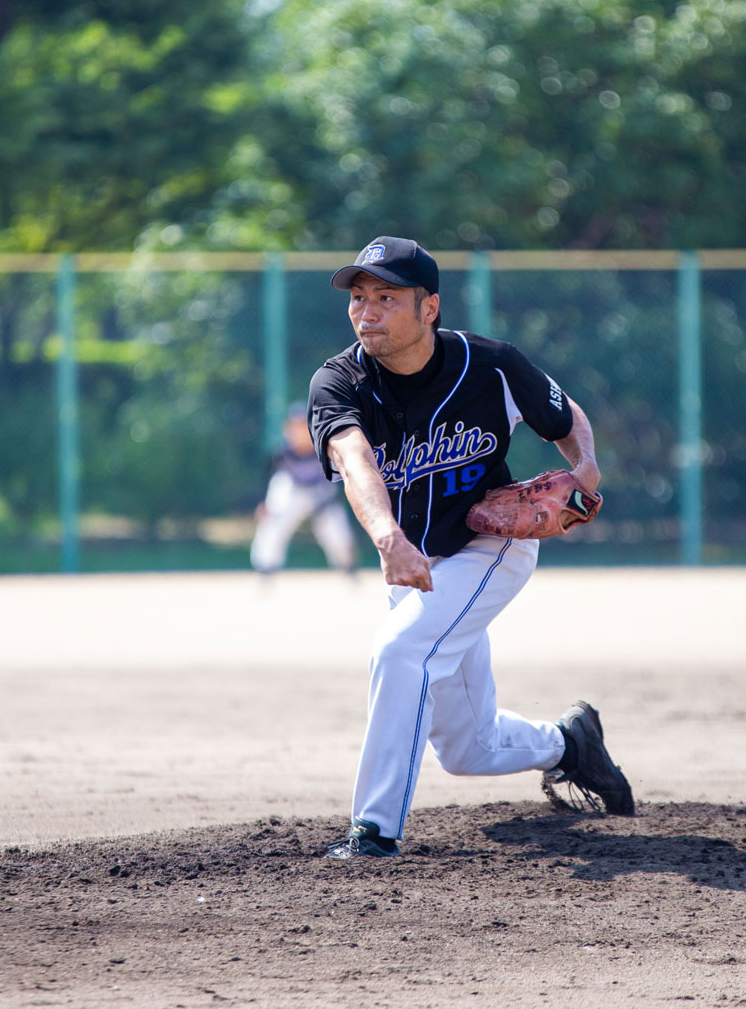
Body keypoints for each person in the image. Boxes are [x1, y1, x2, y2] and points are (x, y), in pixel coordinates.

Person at [305, 235, 635, 859]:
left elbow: (566, 421)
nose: (365, 310)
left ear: (429, 307)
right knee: (467, 749)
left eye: (385, 297)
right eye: (358, 297)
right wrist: (388, 539)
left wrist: (586, 472)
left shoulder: (491, 366)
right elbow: (354, 461)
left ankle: (373, 833)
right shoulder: (339, 380)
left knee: (400, 651)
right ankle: (570, 743)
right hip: (411, 559)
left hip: (490, 547)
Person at [249, 406, 357, 579]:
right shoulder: (281, 451)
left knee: (337, 532)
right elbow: (267, 477)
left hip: (321, 493)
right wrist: (263, 503)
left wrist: (330, 502)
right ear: (288, 429)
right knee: (272, 520)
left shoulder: (323, 447)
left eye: (303, 426)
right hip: (292, 492)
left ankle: (349, 571)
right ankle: (264, 571)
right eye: (295, 426)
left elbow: (339, 480)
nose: (299, 431)